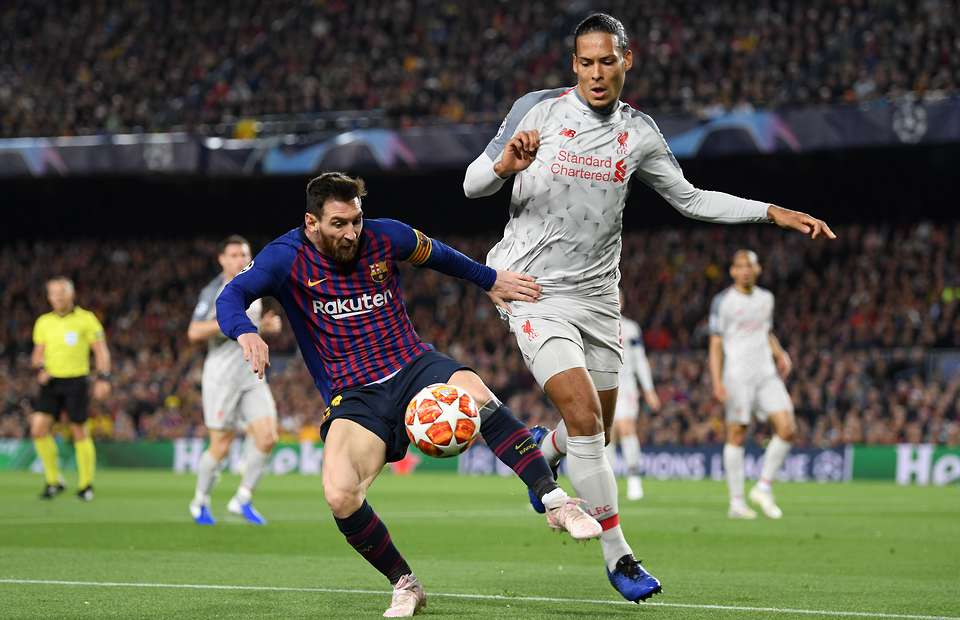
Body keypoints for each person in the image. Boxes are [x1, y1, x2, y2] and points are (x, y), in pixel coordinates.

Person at [462, 12, 835, 601]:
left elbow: (691, 199)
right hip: (532, 289)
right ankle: (620, 557)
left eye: (607, 61)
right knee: (585, 417)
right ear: (573, 65)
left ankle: (543, 451)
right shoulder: (538, 110)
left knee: (598, 431)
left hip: (599, 299)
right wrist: (505, 166)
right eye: (586, 63)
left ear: (627, 61)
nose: (596, 73)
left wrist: (771, 212)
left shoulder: (638, 132)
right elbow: (472, 184)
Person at [216, 172, 600, 617]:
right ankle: (405, 583)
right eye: (339, 224)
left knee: (476, 393)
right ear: (311, 222)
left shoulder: (386, 236)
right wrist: (246, 332)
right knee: (340, 494)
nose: (351, 233)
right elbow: (230, 297)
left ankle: (555, 501)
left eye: (356, 220)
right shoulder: (284, 258)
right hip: (355, 393)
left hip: (412, 364)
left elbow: (441, 255)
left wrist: (490, 279)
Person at [187, 235, 283, 526]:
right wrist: (229, 321)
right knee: (221, 444)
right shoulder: (214, 291)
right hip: (222, 378)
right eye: (234, 255)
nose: (240, 260)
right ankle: (200, 501)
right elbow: (194, 332)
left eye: (244, 254)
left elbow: (253, 328)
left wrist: (265, 327)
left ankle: (242, 499)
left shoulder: (255, 287)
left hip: (251, 374)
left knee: (268, 437)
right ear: (222, 259)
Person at [709, 250, 795, 519]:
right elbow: (715, 343)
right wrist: (717, 381)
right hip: (737, 376)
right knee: (737, 433)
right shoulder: (723, 301)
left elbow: (765, 332)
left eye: (750, 266)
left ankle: (763, 487)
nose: (745, 270)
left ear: (758, 270)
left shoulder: (766, 299)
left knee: (787, 428)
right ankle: (736, 502)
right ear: (733, 271)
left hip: (766, 374)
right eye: (740, 266)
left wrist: (780, 353)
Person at [30, 277, 111, 501]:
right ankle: (53, 481)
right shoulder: (43, 322)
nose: (58, 297)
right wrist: (40, 368)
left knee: (79, 430)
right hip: (51, 382)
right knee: (38, 429)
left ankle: (85, 485)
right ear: (49, 297)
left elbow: (101, 351)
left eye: (62, 292)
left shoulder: (86, 319)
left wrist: (103, 378)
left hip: (76, 381)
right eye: (54, 293)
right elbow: (37, 355)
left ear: (71, 294)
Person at [603, 290, 660, 501]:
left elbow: (640, 360)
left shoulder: (630, 328)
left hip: (626, 386)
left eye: (618, 298)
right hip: (601, 385)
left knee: (626, 427)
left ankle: (634, 479)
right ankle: (609, 482)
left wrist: (649, 390)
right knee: (607, 435)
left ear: (623, 302)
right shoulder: (594, 324)